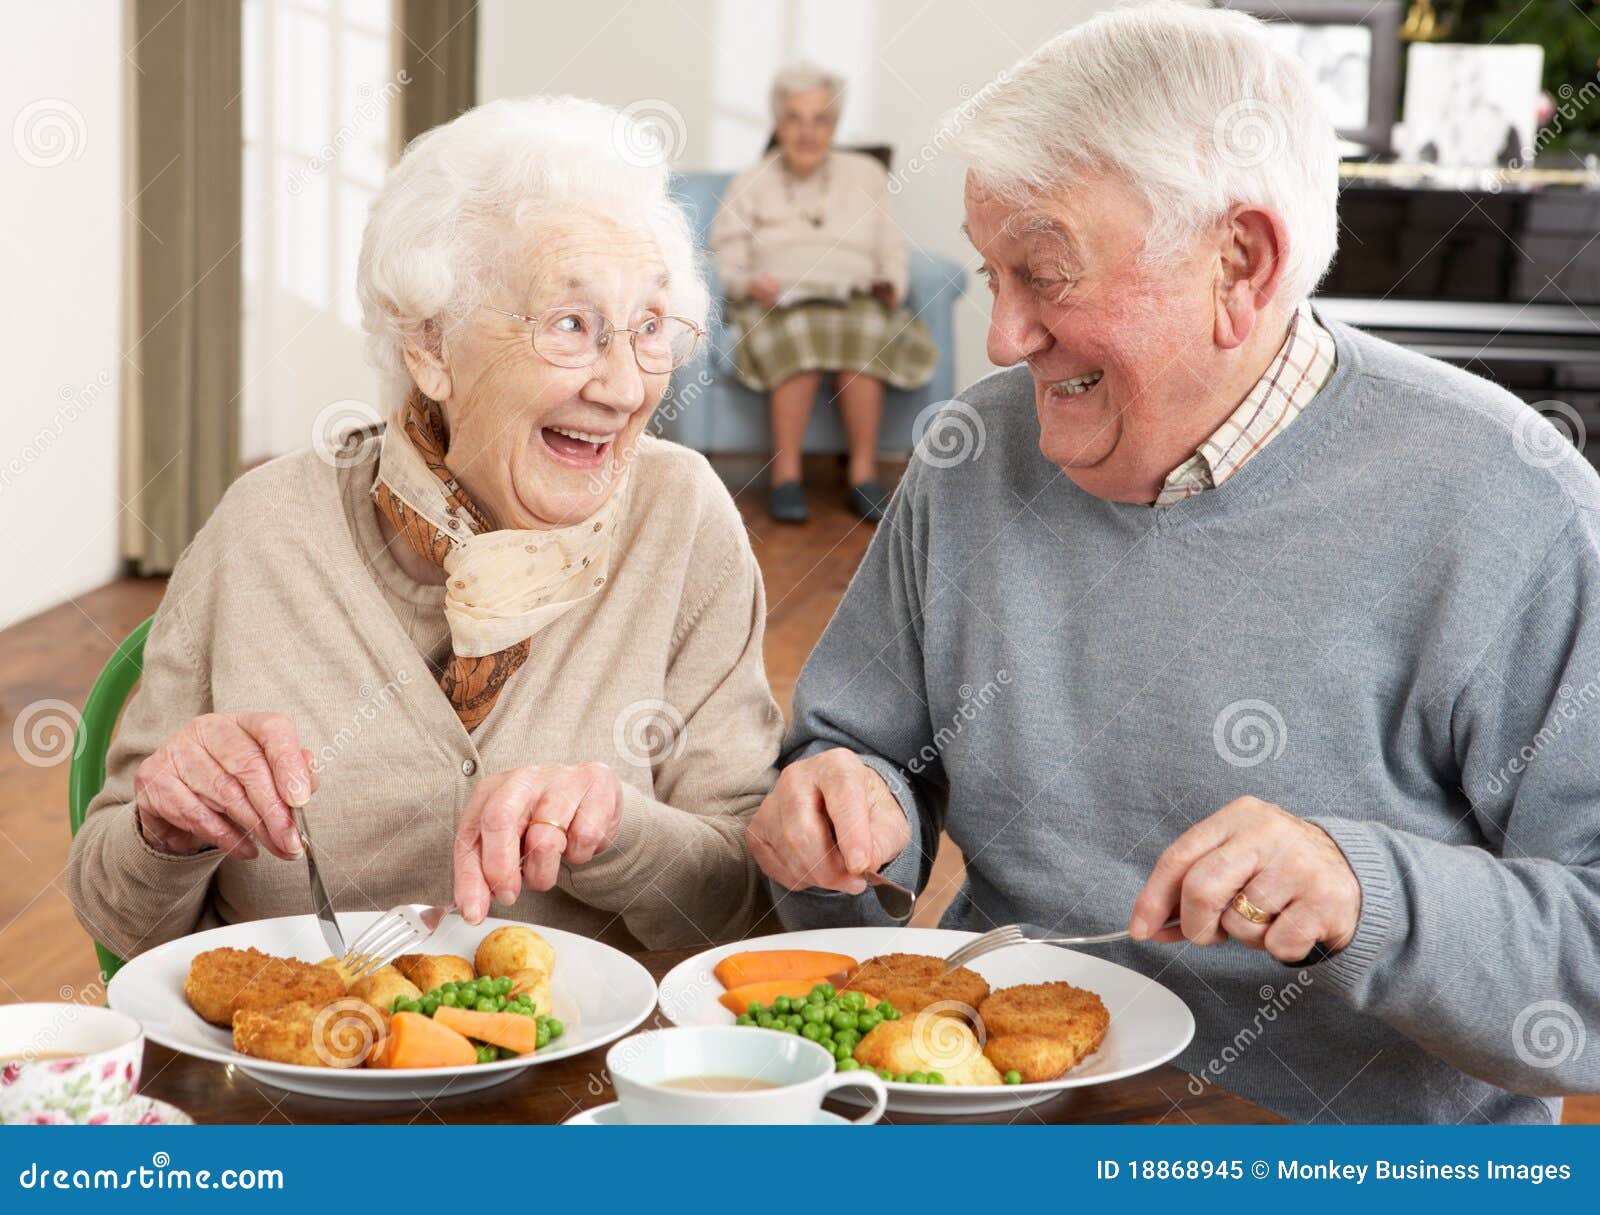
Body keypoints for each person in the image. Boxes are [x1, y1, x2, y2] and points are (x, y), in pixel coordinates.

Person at [747, 3, 1600, 1121]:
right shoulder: (970, 454)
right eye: (989, 273)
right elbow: (855, 753)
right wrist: (836, 819)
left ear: (1238, 264)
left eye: (1045, 274)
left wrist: (1367, 891)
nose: (1002, 337)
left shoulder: (1515, 505)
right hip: (991, 1110)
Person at [68, 96, 785, 959]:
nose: (626, 387)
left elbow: (745, 908)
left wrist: (622, 833)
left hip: (592, 1089)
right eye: (571, 326)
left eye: (648, 328)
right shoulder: (261, 530)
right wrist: (166, 827)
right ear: (430, 347)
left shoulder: (682, 521)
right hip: (301, 1075)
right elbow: (117, 913)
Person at [709, 63, 937, 524]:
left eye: (821, 120)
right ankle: (786, 477)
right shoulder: (750, 182)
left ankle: (863, 475)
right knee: (801, 333)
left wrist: (891, 285)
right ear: (778, 123)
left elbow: (891, 248)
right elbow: (723, 258)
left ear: (835, 125)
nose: (807, 132)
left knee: (866, 328)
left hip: (853, 296)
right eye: (795, 119)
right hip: (779, 302)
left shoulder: (867, 174)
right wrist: (749, 282)